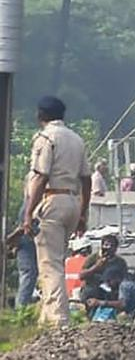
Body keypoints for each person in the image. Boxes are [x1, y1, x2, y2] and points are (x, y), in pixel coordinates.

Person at [22, 96, 91, 328]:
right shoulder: (77, 140)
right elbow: (87, 179)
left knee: (49, 265)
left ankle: (58, 321)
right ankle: (45, 316)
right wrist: (83, 213)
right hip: (73, 201)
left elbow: (41, 176)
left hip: (52, 199)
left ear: (41, 115)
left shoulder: (45, 138)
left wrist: (28, 213)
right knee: (57, 262)